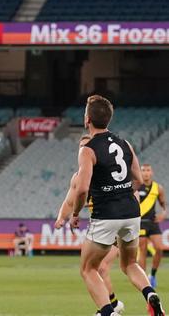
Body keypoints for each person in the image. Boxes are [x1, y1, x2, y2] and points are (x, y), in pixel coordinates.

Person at [61, 95, 165, 316]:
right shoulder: (124, 143)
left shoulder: (88, 149)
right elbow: (137, 179)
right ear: (108, 119)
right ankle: (150, 295)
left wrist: (76, 214)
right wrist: (119, 190)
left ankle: (109, 312)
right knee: (130, 264)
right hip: (130, 212)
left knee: (88, 269)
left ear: (87, 119)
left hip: (106, 214)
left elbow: (81, 188)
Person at [55, 134, 125, 314]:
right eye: (82, 147)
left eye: (88, 146)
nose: (84, 150)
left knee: (98, 267)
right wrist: (61, 218)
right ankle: (112, 305)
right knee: (97, 268)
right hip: (101, 226)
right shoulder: (78, 177)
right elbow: (70, 201)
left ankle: (111, 308)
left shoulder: (107, 173)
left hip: (117, 226)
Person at [138, 163, 166, 288]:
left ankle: (153, 275)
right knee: (142, 250)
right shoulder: (136, 186)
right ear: (140, 172)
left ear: (152, 172)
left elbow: (163, 205)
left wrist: (163, 214)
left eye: (148, 170)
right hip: (140, 223)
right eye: (143, 170)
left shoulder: (158, 188)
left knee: (159, 249)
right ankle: (145, 282)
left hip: (153, 223)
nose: (145, 173)